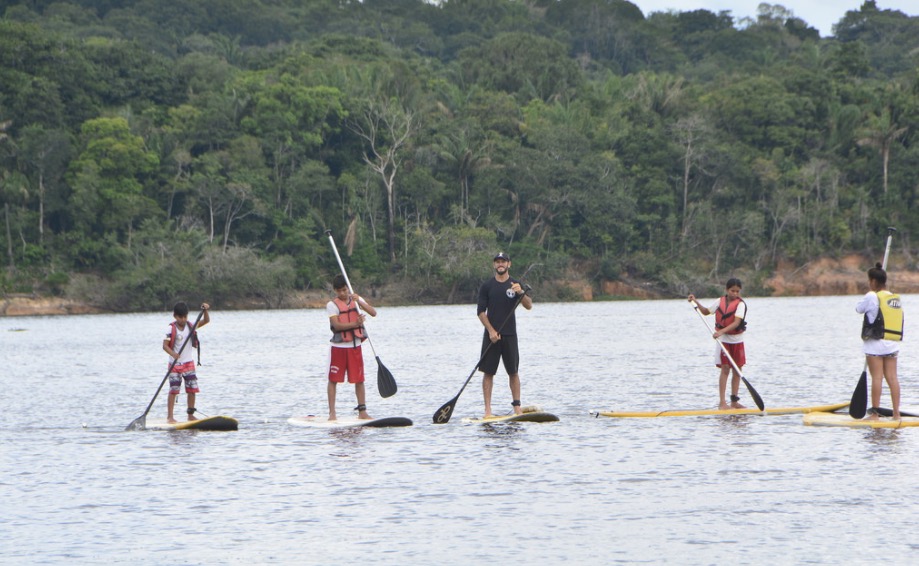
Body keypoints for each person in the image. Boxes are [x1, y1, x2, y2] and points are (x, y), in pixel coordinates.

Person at [477, 252, 533, 417]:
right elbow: (480, 312)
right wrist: (491, 331)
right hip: (492, 336)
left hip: (510, 335)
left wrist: (520, 292)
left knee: (513, 372)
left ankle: (517, 407)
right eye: (497, 262)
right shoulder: (487, 286)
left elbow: (529, 305)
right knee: (488, 372)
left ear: (509, 264)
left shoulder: (515, 284)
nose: (500, 264)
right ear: (494, 265)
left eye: (503, 261)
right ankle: (488, 410)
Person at [688, 278, 747, 410]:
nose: (735, 294)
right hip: (724, 341)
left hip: (737, 340)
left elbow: (736, 323)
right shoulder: (719, 301)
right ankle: (722, 403)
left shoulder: (741, 304)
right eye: (732, 291)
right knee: (725, 369)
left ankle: (734, 401)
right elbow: (706, 312)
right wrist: (695, 301)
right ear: (727, 290)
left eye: (737, 291)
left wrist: (721, 332)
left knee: (737, 370)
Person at [856, 263, 903, 420]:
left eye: (870, 281)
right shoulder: (893, 298)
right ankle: (896, 414)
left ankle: (875, 414)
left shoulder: (871, 296)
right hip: (892, 344)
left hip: (876, 344)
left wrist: (870, 292)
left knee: (877, 377)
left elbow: (858, 309)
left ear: (874, 281)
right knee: (892, 377)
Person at [326, 274, 377, 421]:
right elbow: (336, 325)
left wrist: (360, 303)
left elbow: (373, 313)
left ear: (348, 288)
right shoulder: (332, 305)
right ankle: (332, 413)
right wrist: (356, 324)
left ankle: (362, 411)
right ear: (335, 290)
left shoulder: (356, 299)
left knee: (359, 379)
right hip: (339, 347)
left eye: (344, 290)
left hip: (355, 346)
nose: (342, 293)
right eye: (339, 291)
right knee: (333, 379)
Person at [163, 301, 210, 423]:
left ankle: (190, 415)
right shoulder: (171, 328)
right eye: (180, 317)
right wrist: (173, 354)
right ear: (175, 316)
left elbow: (206, 321)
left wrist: (205, 311)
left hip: (188, 363)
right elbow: (165, 346)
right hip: (175, 364)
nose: (183, 319)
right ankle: (170, 417)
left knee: (192, 389)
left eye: (185, 317)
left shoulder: (190, 326)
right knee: (174, 390)